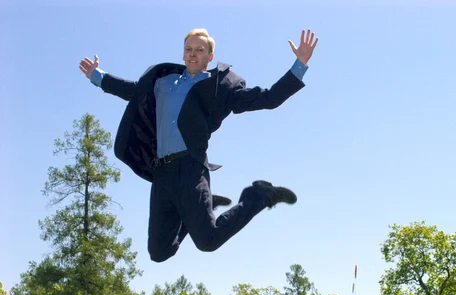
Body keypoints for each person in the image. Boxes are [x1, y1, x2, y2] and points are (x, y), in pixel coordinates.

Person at [79, 28, 318, 262]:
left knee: (208, 241)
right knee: (160, 253)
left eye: (199, 50)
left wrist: (300, 65)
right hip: (161, 172)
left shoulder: (220, 87)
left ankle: (258, 195)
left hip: (190, 168)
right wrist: (97, 76)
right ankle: (208, 203)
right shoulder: (163, 82)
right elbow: (131, 90)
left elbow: (268, 98)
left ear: (210, 56)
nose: (193, 54)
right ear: (183, 54)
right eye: (189, 49)